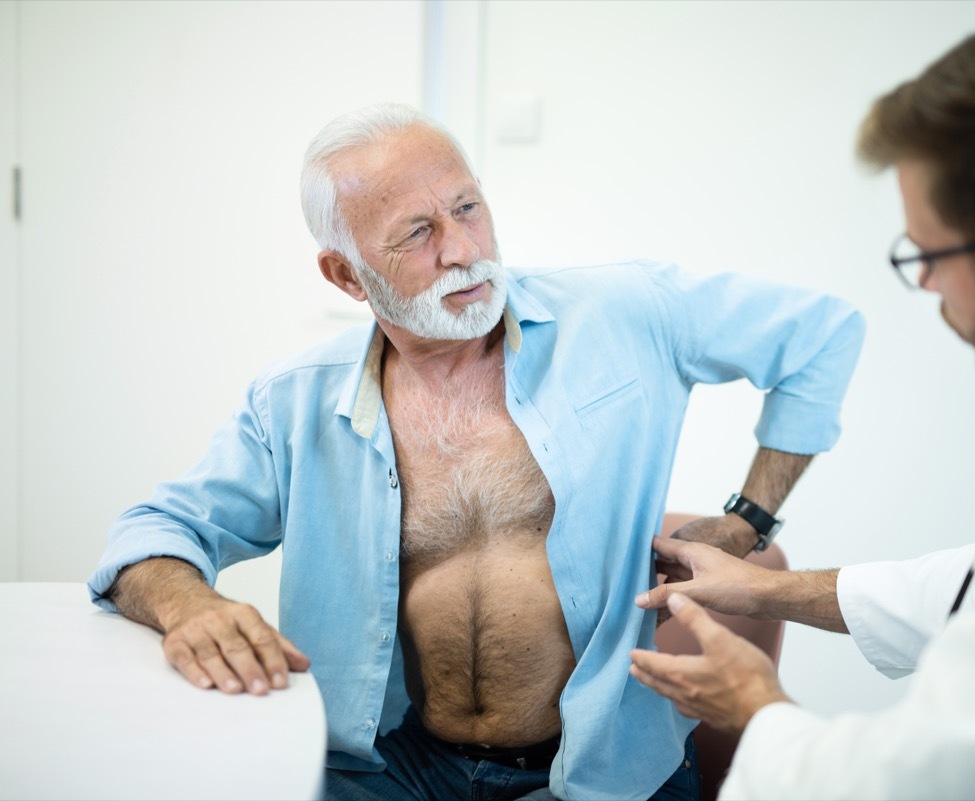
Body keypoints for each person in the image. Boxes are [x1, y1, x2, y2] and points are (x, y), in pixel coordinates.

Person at [86, 103, 865, 801]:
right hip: (388, 768)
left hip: (604, 770)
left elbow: (821, 335)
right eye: (417, 232)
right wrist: (190, 604)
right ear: (346, 274)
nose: (463, 249)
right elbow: (152, 533)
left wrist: (749, 517)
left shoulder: (628, 312)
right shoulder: (293, 402)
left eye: (467, 208)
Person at [630, 4, 975, 799]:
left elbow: (945, 781)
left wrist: (755, 709)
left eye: (927, 255)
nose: (926, 281)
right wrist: (764, 590)